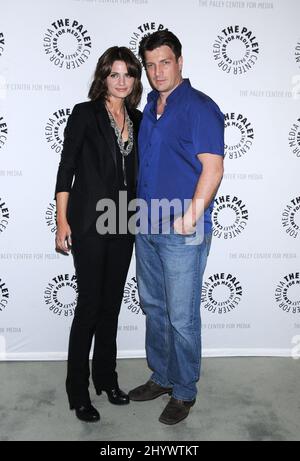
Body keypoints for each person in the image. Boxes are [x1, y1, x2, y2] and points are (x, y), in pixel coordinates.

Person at [128, 31, 224, 425]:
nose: (156, 71)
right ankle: (163, 376)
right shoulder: (150, 106)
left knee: (181, 316)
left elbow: (213, 169)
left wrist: (190, 217)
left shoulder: (200, 107)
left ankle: (184, 390)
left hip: (183, 229)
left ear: (180, 62)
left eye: (164, 62)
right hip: (146, 227)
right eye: (150, 65)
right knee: (155, 307)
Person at [54, 46, 142, 423]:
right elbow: (66, 168)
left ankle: (107, 378)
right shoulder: (84, 114)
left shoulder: (139, 119)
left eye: (128, 74)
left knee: (111, 306)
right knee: (89, 306)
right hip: (89, 221)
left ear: (135, 80)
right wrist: (62, 222)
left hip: (124, 221)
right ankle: (78, 391)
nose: (121, 81)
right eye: (114, 74)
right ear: (103, 77)